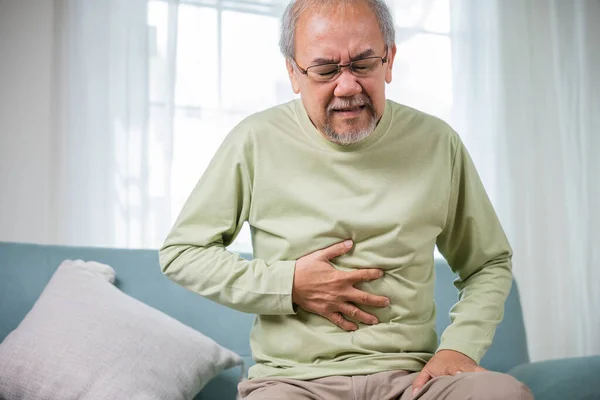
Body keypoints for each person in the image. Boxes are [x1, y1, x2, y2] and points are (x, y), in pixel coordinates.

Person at [159, 0, 533, 398]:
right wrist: (288, 284)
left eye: (363, 64)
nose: (347, 86)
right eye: (325, 70)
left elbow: (488, 262)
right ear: (293, 72)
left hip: (413, 380)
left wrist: (460, 347)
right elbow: (182, 252)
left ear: (389, 60)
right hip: (292, 382)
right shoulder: (254, 141)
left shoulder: (439, 143)